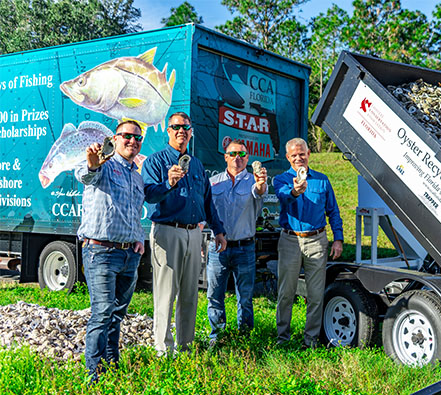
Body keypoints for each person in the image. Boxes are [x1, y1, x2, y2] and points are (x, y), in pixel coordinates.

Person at [142, 111, 226, 355]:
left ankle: (186, 347)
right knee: (166, 293)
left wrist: (218, 230)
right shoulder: (156, 162)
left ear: (191, 132)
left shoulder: (197, 164)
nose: (181, 131)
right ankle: (163, 350)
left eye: (186, 127)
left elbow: (207, 201)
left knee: (190, 294)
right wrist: (168, 183)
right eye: (176, 127)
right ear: (168, 131)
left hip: (193, 234)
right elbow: (149, 195)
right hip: (168, 232)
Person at [75, 120, 145, 382]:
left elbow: (135, 213)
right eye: (126, 136)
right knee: (102, 312)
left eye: (137, 138)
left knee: (117, 315)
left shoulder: (136, 176)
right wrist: (93, 163)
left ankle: (111, 367)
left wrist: (138, 239)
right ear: (114, 139)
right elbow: (85, 175)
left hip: (129, 255)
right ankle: (93, 376)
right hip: (101, 253)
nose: (132, 141)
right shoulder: (103, 165)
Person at [273, 138, 343, 348]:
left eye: (301, 154)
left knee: (315, 295)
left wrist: (338, 239)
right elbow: (283, 197)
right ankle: (282, 339)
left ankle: (311, 340)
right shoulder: (282, 179)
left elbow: (333, 211)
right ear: (288, 157)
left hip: (317, 241)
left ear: (309, 153)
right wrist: (295, 191)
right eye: (293, 155)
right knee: (286, 293)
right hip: (290, 239)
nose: (298, 158)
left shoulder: (322, 181)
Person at [207, 139, 267, 345]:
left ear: (248, 158)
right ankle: (217, 336)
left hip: (244, 247)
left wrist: (261, 184)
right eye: (233, 154)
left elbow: (259, 192)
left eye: (242, 154)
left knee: (245, 297)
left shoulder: (254, 181)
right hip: (217, 249)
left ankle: (244, 337)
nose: (237, 158)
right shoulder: (213, 182)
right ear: (225, 157)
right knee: (214, 295)